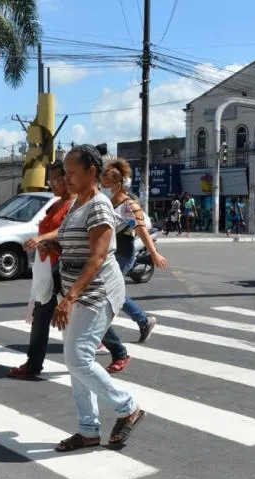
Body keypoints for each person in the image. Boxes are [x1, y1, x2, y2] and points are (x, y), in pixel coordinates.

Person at [50, 144, 144, 451]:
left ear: (92, 173)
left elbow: (99, 256)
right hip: (77, 291)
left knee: (78, 358)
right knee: (78, 360)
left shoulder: (99, 206)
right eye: (65, 173)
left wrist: (70, 298)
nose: (66, 178)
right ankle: (88, 429)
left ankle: (127, 407)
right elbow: (73, 243)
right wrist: (46, 244)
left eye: (71, 173)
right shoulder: (78, 203)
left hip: (98, 291)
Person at [98, 159, 169, 374]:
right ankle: (144, 320)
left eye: (106, 182)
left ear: (117, 184)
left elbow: (141, 230)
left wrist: (154, 253)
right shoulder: (107, 202)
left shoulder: (129, 205)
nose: (102, 185)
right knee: (111, 292)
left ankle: (111, 336)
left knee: (106, 293)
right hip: (108, 252)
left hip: (123, 252)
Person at [9, 162, 73, 380]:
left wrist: (43, 239)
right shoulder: (56, 203)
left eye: (58, 179)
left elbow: (63, 231)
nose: (54, 184)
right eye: (51, 180)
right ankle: (33, 363)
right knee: (41, 315)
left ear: (70, 178)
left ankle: (117, 349)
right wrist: (43, 243)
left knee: (77, 314)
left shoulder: (74, 204)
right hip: (48, 267)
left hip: (65, 269)